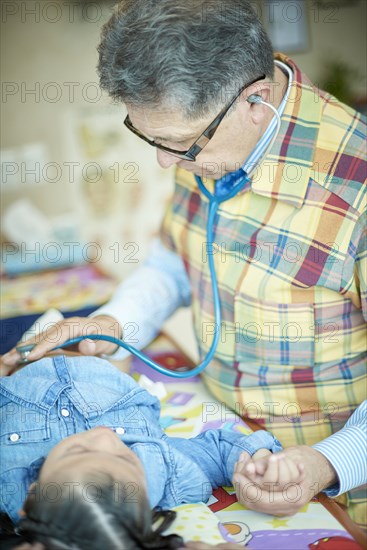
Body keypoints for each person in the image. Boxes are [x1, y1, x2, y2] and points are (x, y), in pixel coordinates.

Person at [2, 0, 366, 529]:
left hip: (338, 491)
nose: (166, 162)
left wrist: (328, 463)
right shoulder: (213, 141)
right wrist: (113, 323)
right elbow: (176, 260)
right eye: (151, 138)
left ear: (255, 101)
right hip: (228, 438)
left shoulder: (354, 188)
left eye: (178, 144)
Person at [0, 351, 283, 549]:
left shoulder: (7, 490)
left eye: (77, 451)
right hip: (106, 376)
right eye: (127, 455)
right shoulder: (165, 474)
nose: (104, 436)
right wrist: (257, 463)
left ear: (34, 494)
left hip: (20, 375)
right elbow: (221, 451)